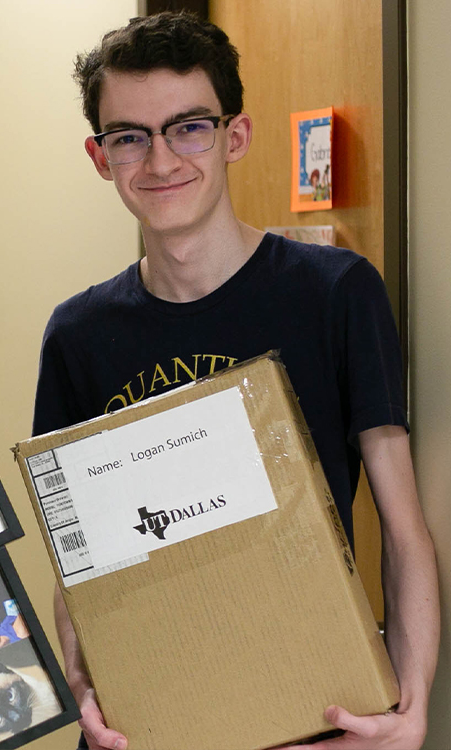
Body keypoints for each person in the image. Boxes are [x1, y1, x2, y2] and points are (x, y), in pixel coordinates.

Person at [34, 13, 438, 750]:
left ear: (235, 136)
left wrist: (411, 711)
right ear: (100, 156)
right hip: (155, 723)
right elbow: (80, 569)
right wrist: (86, 686)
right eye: (130, 136)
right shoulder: (77, 336)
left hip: (317, 715)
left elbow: (404, 530)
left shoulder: (336, 295)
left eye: (188, 128)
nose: (160, 161)